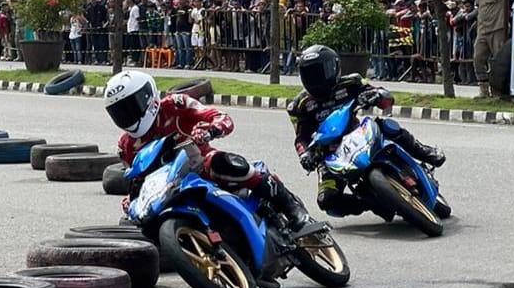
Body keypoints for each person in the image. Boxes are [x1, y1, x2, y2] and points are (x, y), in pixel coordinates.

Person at [105, 70, 311, 234]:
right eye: (120, 112)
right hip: (168, 189)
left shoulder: (175, 105)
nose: (127, 116)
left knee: (224, 163)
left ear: (148, 96)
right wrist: (131, 199)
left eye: (131, 107)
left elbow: (218, 116)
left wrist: (210, 129)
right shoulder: (126, 146)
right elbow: (135, 180)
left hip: (201, 166)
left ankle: (291, 207)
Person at [288, 45, 445, 219]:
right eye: (310, 73)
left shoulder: (351, 82)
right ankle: (370, 202)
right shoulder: (299, 105)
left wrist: (376, 96)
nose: (315, 78)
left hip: (360, 132)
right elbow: (300, 138)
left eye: (319, 71)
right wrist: (305, 156)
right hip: (330, 155)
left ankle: (424, 151)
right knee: (327, 200)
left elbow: (385, 97)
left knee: (386, 126)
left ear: (333, 67)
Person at [449, 0, 509, 98]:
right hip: (482, 29)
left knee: (498, 61)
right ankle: (483, 90)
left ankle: (499, 91)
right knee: (478, 58)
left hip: (497, 27)